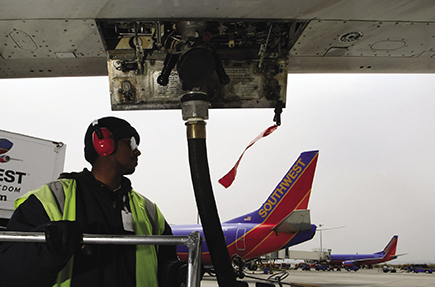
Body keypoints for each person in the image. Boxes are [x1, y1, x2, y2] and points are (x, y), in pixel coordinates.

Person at [0, 116, 185, 287]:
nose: (138, 151)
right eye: (132, 142)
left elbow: (163, 265)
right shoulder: (48, 200)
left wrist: (176, 272)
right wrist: (47, 246)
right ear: (104, 144)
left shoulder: (150, 212)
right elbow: (9, 271)